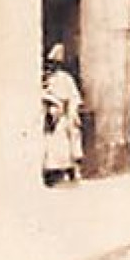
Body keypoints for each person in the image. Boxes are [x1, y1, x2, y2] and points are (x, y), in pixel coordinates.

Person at [42, 44, 84, 186]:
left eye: (54, 64)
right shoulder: (46, 78)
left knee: (67, 141)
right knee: (52, 143)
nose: (51, 67)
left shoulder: (65, 78)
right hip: (51, 114)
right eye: (50, 64)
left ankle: (70, 170)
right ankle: (53, 172)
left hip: (64, 115)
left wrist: (71, 113)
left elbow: (73, 98)